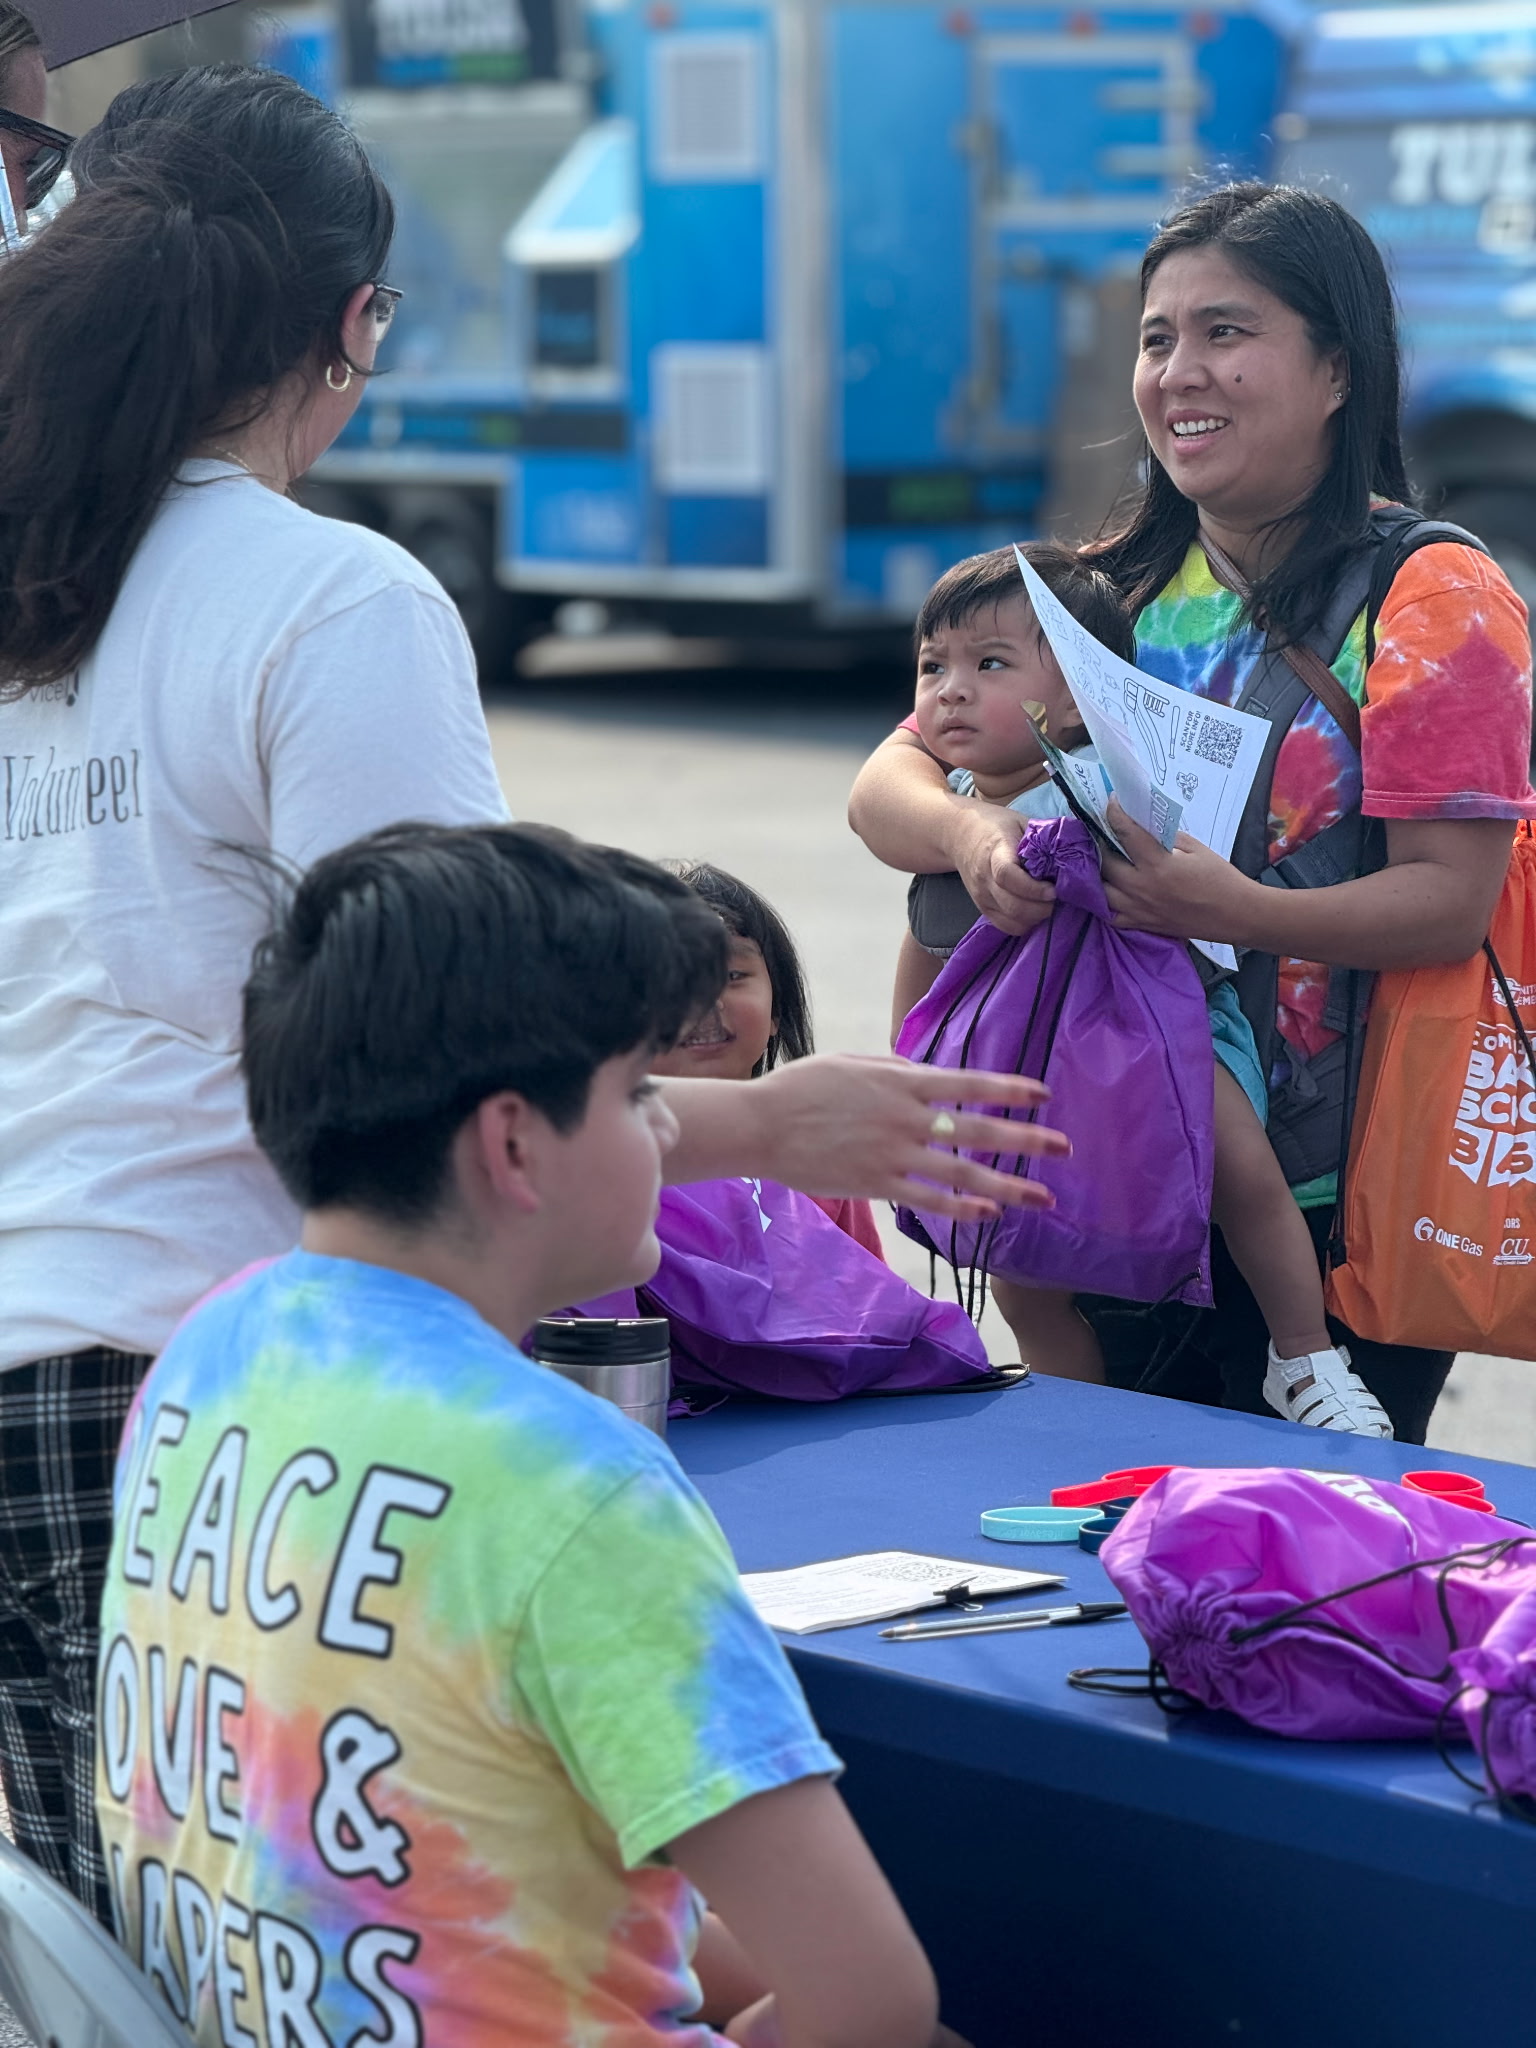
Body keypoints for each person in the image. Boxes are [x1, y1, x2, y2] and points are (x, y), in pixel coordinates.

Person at [0, 64, 1059, 1924]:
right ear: (348, 325)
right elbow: (441, 1040)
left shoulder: (33, 598)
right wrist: (764, 1124)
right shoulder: (327, 599)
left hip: (39, 1378)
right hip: (222, 1377)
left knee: (144, 1957)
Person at [96, 821, 966, 2048]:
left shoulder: (206, 1351)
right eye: (638, 1094)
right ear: (513, 1143)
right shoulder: (576, 1483)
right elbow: (870, 1999)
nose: (672, 1132)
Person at [849, 181, 1536, 1445]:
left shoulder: (1440, 595)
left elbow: (1452, 901)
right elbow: (894, 780)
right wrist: (972, 835)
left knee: (1296, 1574)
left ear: (1338, 368)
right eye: (1159, 338)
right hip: (1100, 1154)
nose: (1179, 372)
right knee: (1109, 1543)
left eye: (1226, 332)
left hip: (1333, 1200)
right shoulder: (1098, 588)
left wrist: (1237, 909)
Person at [900, 543, 1388, 1432]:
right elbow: (928, 945)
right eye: (933, 666)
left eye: (990, 664)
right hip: (1026, 1059)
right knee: (1022, 1274)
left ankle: (1304, 1354)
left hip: (1165, 1028)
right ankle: (1080, 1422)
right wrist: (914, 1077)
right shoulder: (950, 807)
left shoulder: (1106, 785)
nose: (951, 689)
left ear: (1086, 696)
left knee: (1241, 1166)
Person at [656, 859, 885, 1257]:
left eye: (732, 976)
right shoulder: (599, 1157)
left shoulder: (820, 1159)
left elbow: (871, 1305)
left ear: (777, 1009)